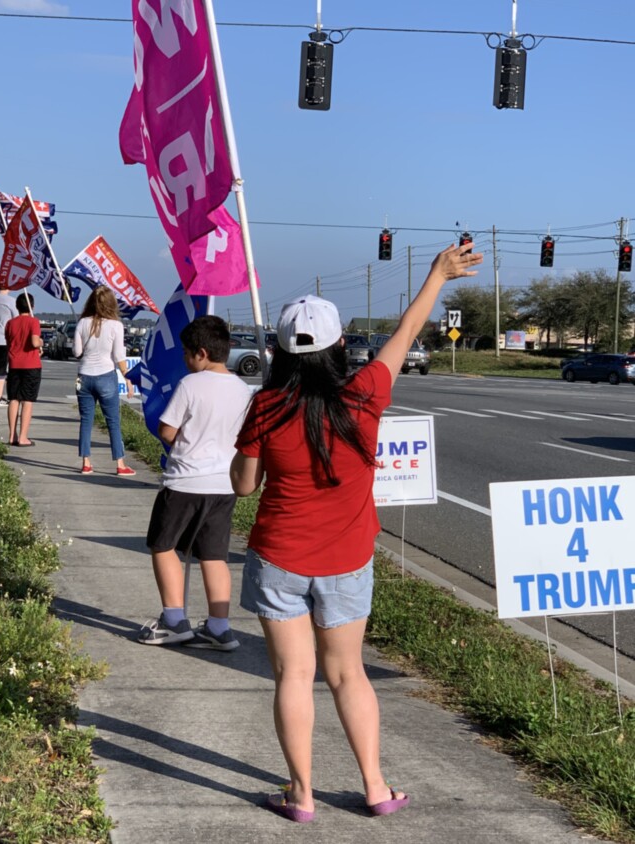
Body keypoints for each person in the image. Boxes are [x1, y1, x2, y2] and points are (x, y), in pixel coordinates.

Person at [230, 243, 483, 823]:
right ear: (341, 344)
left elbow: (245, 487)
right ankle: (374, 787)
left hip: (278, 557)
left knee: (293, 675)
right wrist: (437, 276)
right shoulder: (365, 393)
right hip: (346, 560)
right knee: (348, 672)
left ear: (277, 350)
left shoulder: (264, 407)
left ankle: (301, 794)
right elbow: (409, 329)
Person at [138, 315, 252, 650]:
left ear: (201, 353)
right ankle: (219, 626)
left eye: (187, 354)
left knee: (163, 545)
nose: (186, 361)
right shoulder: (243, 389)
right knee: (214, 555)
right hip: (223, 484)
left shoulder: (190, 385)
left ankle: (174, 620)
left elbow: (167, 430)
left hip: (185, 480)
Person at [74, 287, 135, 476]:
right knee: (113, 422)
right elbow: (118, 356)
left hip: (84, 376)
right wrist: (128, 378)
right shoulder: (116, 326)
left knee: (86, 421)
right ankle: (120, 464)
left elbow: (76, 352)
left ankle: (86, 463)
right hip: (106, 375)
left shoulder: (82, 323)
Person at [4, 292, 43, 447]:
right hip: (31, 365)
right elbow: (34, 342)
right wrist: (41, 342)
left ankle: (12, 434)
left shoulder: (10, 323)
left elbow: (9, 342)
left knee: (13, 399)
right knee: (27, 401)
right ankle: (23, 437)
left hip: (14, 364)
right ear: (32, 306)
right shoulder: (34, 322)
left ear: (17, 307)